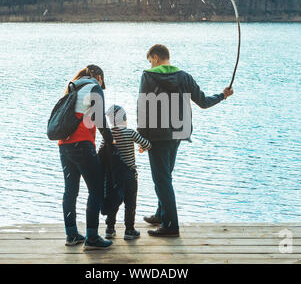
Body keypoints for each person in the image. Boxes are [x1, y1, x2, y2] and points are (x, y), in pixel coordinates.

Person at [137, 44, 234, 237]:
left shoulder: (148, 76)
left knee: (162, 179)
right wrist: (223, 95)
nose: (150, 64)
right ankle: (161, 214)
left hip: (157, 135)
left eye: (150, 60)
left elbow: (143, 108)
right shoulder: (184, 76)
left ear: (155, 58)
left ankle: (171, 226)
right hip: (178, 134)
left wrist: (141, 138)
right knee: (166, 176)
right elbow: (203, 102)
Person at [58, 65, 114, 250]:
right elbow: (99, 119)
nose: (101, 85)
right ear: (98, 76)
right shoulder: (94, 87)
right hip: (82, 144)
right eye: (102, 81)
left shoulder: (72, 86)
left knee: (70, 190)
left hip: (64, 145)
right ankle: (92, 238)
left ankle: (71, 234)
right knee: (96, 189)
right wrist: (110, 141)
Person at [99, 105, 152, 240]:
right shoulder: (130, 133)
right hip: (130, 174)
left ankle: (110, 229)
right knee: (130, 203)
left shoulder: (108, 136)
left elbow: (101, 152)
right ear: (124, 118)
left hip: (114, 176)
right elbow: (147, 144)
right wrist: (141, 148)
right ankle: (129, 230)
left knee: (113, 201)